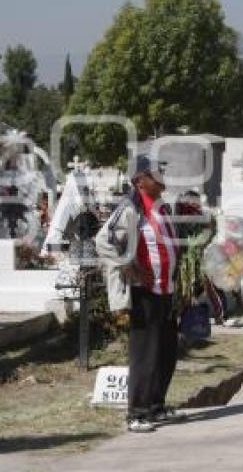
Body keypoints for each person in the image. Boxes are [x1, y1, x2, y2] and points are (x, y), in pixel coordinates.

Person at [96, 154, 183, 433]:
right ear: (140, 180)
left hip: (166, 291)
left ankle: (156, 406)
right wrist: (129, 266)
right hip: (144, 292)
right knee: (145, 354)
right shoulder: (130, 209)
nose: (162, 178)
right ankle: (137, 412)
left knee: (166, 352)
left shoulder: (162, 207)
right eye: (156, 174)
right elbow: (104, 242)